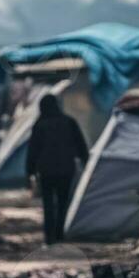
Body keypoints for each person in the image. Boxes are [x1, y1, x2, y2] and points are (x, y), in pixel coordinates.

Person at [26, 94, 88, 245]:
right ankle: (59, 233)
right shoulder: (69, 122)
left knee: (48, 204)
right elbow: (81, 145)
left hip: (46, 171)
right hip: (66, 169)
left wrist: (30, 171)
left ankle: (49, 236)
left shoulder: (40, 125)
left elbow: (33, 150)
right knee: (62, 202)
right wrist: (86, 162)